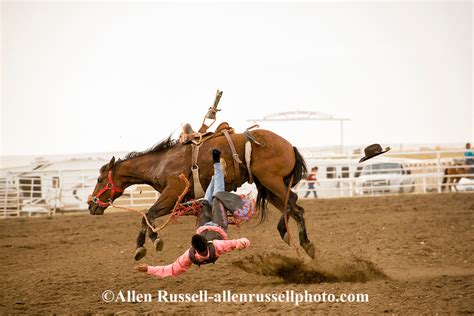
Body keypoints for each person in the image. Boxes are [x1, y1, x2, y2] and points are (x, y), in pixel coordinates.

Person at [134, 149, 251, 278]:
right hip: (219, 225)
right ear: (207, 243)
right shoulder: (217, 245)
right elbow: (240, 242)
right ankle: (217, 165)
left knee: (207, 200)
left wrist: (148, 269)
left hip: (204, 224)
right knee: (217, 196)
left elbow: (172, 269)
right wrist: (244, 243)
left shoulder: (190, 255)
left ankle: (217, 176)